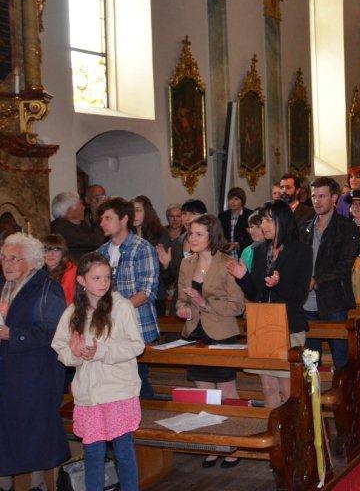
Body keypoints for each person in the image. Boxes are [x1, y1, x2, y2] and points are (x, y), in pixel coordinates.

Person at [52, 253, 145, 491]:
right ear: (81, 281)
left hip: (118, 389)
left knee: (123, 449)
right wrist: (75, 353)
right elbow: (61, 348)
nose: (103, 283)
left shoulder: (121, 306)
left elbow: (136, 345)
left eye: (107, 277)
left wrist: (101, 351)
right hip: (89, 394)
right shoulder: (72, 312)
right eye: (96, 278)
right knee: (92, 453)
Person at [0, 233, 70, 491]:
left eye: (13, 258)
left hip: (36, 369)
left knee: (34, 425)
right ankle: (5, 484)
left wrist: (12, 334)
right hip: (7, 367)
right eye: (3, 258)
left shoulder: (47, 288)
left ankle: (38, 487)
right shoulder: (4, 284)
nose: (7, 263)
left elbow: (54, 332)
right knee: (4, 424)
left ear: (31, 261)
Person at [227, 201, 313, 408]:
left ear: (282, 221)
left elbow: (300, 294)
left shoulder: (301, 250)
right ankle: (274, 426)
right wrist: (243, 277)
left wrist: (278, 284)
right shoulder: (259, 250)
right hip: (262, 325)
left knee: (288, 389)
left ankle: (295, 426)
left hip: (288, 325)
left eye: (267, 220)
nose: (263, 225)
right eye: (262, 220)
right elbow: (255, 294)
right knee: (268, 388)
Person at [175, 215, 245, 466]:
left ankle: (234, 442)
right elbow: (181, 300)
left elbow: (237, 306)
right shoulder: (187, 264)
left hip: (222, 332)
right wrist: (184, 309)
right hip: (196, 332)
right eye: (190, 234)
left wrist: (204, 303)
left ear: (212, 236)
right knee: (204, 393)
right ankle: (215, 443)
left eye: (199, 234)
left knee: (226, 391)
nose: (192, 238)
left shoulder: (227, 263)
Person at [95, 198, 160, 399]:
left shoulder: (142, 248)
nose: (102, 223)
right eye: (101, 219)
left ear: (123, 219)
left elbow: (147, 291)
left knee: (138, 381)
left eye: (108, 218)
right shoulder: (101, 252)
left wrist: (117, 311)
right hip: (108, 328)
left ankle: (145, 414)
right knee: (114, 383)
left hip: (137, 325)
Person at [301, 177, 359, 369]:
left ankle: (345, 387)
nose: (316, 201)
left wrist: (316, 280)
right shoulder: (305, 227)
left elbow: (345, 264)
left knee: (341, 357)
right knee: (311, 359)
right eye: (314, 196)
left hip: (334, 300)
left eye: (322, 196)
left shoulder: (347, 227)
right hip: (307, 303)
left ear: (334, 198)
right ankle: (314, 388)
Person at [50, 191, 103, 263]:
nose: (84, 207)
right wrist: (97, 215)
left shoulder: (80, 223)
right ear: (70, 209)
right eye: (81, 204)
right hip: (75, 267)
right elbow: (95, 243)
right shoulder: (61, 228)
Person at [218, 187, 253, 257]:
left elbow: (254, 237)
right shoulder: (222, 216)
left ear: (242, 201)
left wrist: (237, 244)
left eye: (236, 199)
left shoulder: (250, 215)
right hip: (226, 254)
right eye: (230, 199)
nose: (232, 202)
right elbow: (219, 234)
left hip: (245, 254)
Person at [43, 233, 77, 304]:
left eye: (56, 250)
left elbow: (72, 304)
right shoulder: (39, 272)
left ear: (63, 252)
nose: (50, 254)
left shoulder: (72, 272)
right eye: (46, 250)